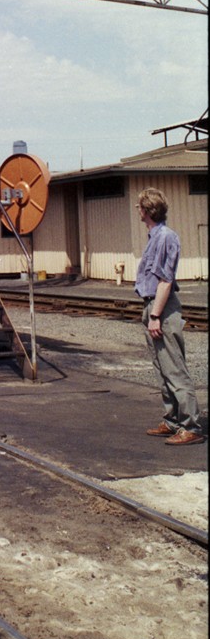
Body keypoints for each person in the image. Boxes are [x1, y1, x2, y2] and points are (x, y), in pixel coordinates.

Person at [135, 188, 203, 446]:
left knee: (174, 368)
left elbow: (165, 280)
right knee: (162, 368)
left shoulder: (165, 237)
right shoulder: (154, 236)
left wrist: (155, 315)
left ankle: (191, 426)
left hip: (161, 308)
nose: (137, 211)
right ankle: (173, 420)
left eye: (140, 207)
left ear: (147, 210)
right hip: (153, 305)